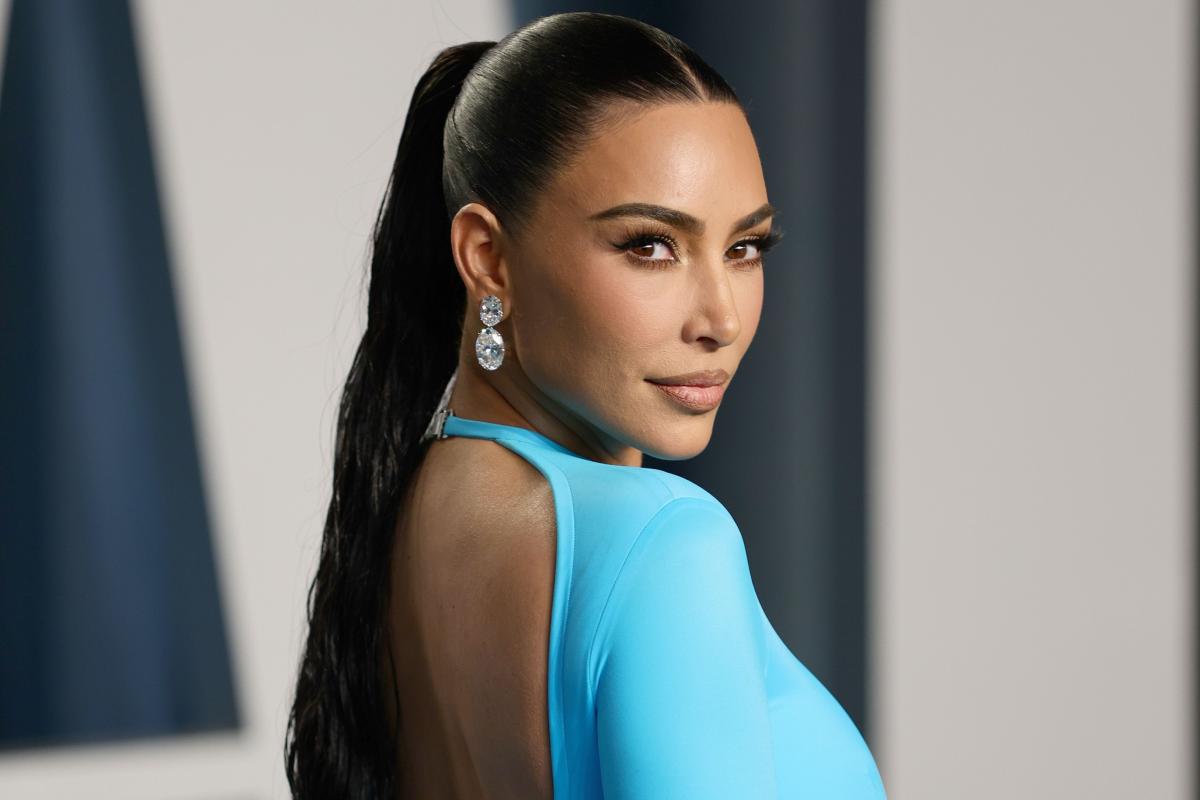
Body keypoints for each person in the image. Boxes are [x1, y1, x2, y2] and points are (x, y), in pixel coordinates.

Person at [284, 11, 887, 799]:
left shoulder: (405, 509)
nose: (722, 319)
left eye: (744, 248)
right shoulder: (665, 541)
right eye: (651, 245)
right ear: (488, 258)